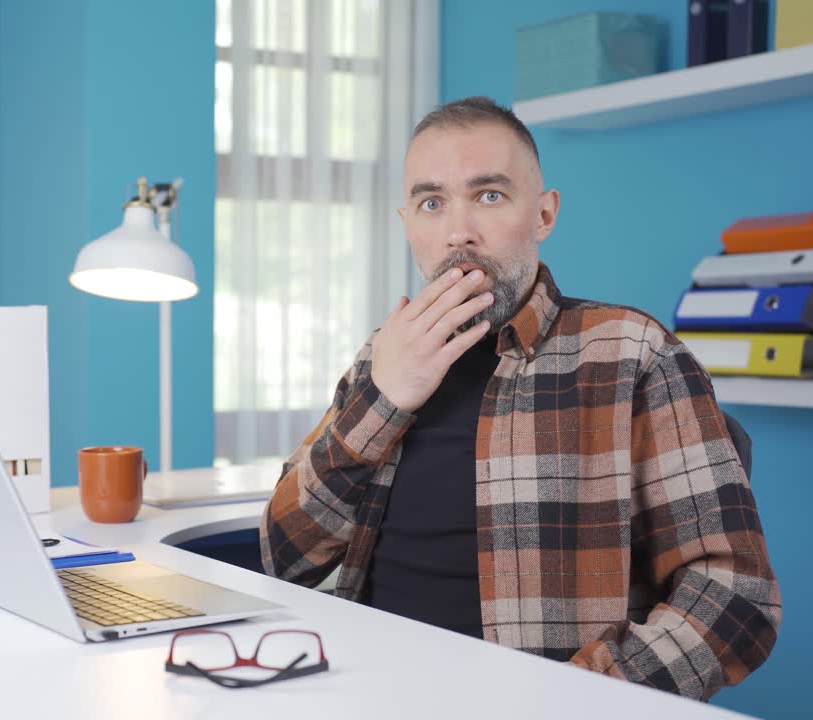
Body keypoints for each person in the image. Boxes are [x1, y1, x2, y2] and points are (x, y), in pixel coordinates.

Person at [259, 96, 780, 701]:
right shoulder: (384, 357)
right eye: (432, 203)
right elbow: (283, 557)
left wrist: (581, 698)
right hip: (371, 697)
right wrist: (384, 397)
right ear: (407, 223)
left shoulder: (634, 354)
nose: (459, 232)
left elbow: (738, 597)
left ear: (544, 215)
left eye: (489, 196)